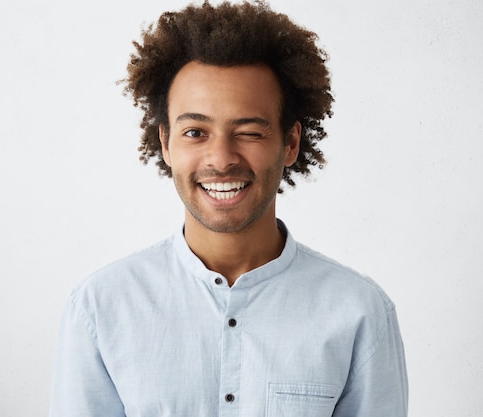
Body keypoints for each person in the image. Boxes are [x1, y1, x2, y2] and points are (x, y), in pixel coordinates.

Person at [49, 1, 408, 416]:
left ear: (290, 143)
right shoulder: (99, 308)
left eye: (249, 132)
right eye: (195, 132)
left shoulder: (360, 313)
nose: (221, 159)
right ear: (166, 143)